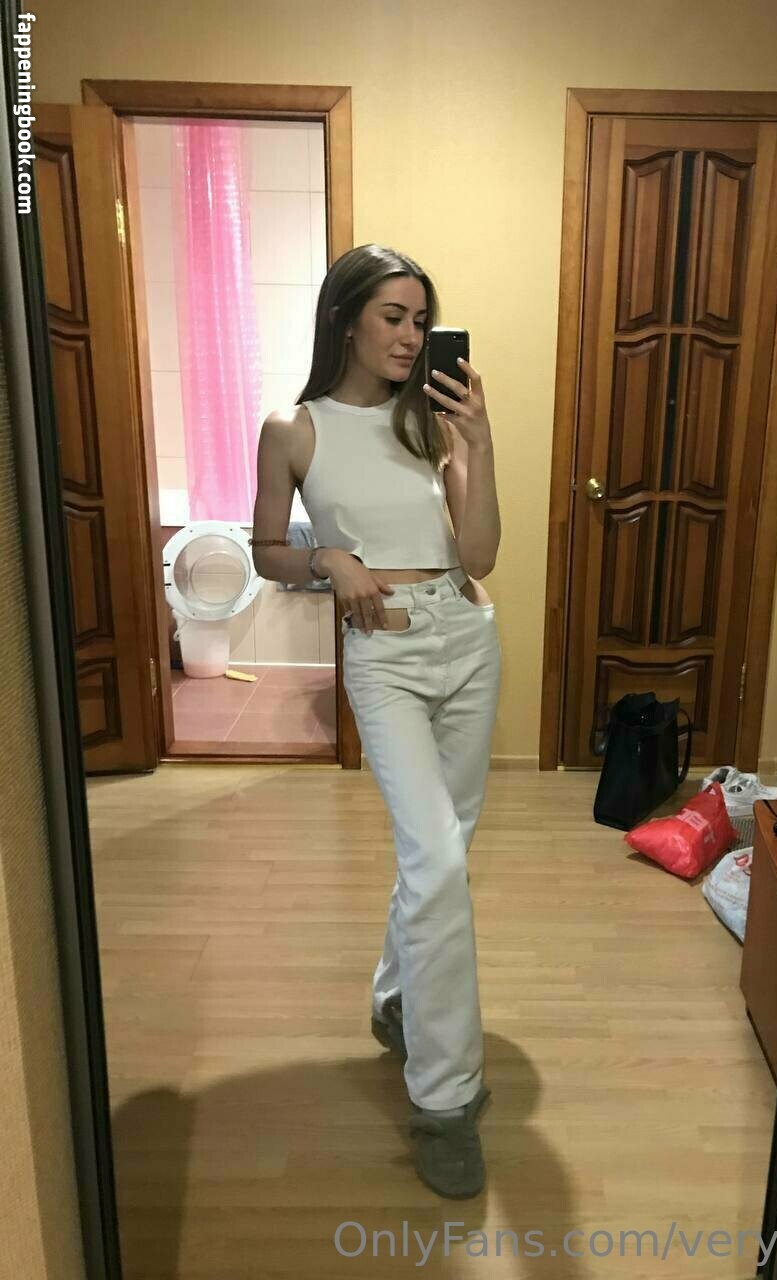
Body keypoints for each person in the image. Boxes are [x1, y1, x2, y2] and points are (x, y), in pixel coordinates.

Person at [249, 244, 502, 1199]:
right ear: (346, 319)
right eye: (394, 317)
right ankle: (445, 1099)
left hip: (466, 638)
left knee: (445, 854)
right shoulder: (295, 428)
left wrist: (479, 444)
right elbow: (267, 549)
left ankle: (398, 999)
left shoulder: (428, 422)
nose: (410, 336)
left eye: (421, 320)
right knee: (436, 862)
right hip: (384, 652)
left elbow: (481, 553)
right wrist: (329, 560)